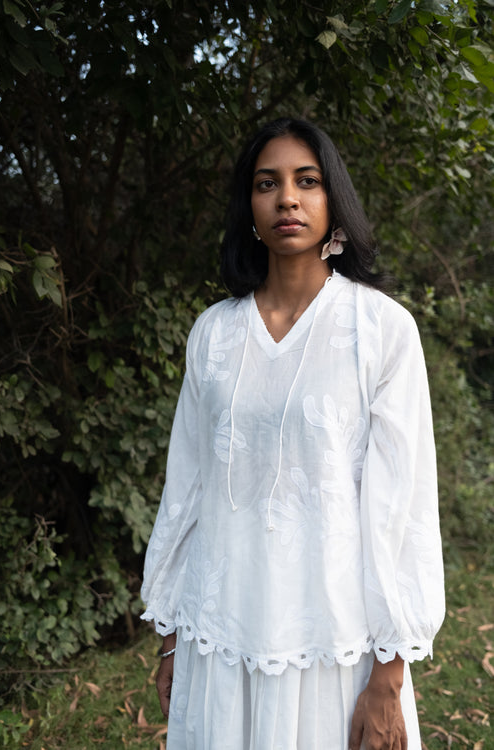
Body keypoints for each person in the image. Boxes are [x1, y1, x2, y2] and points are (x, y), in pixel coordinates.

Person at [141, 117, 445, 750]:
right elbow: (186, 488)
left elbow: (403, 506)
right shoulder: (214, 333)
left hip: (334, 645)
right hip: (218, 638)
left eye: (307, 181)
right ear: (249, 208)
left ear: (333, 200)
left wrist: (389, 674)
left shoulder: (381, 330)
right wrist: (172, 636)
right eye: (267, 183)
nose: (287, 198)